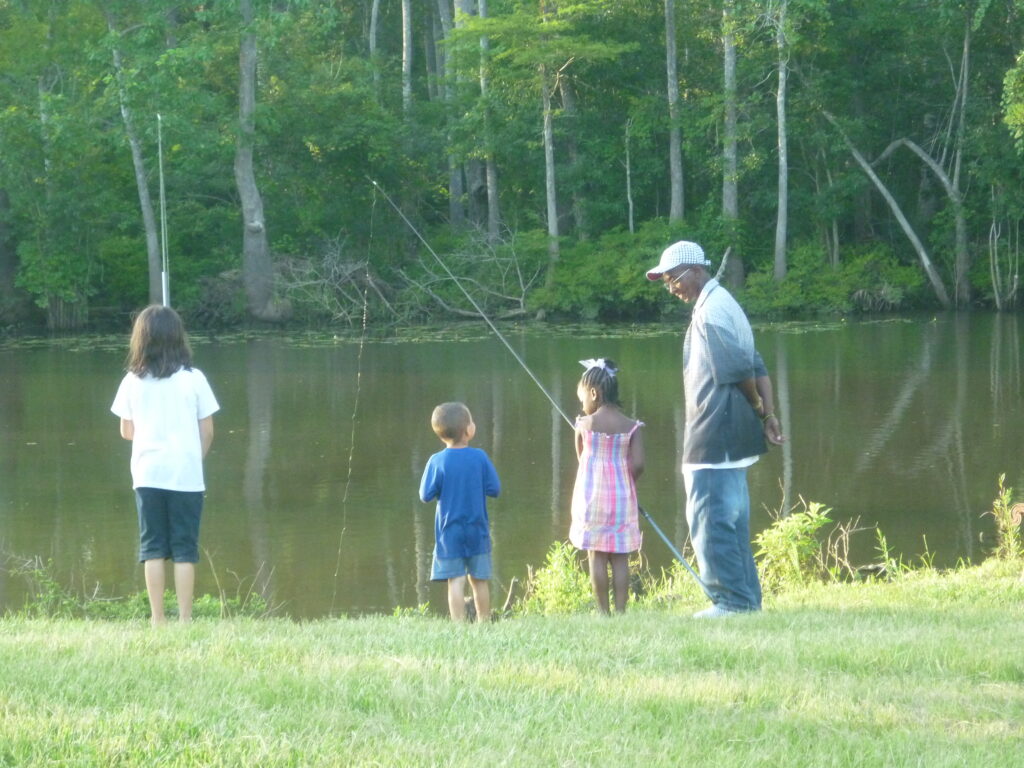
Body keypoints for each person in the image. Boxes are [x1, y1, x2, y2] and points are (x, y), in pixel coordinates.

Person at [646, 241, 784, 619]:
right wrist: (768, 415)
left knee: (710, 524)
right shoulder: (726, 304)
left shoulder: (710, 311)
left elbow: (739, 372)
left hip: (714, 436)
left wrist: (759, 409)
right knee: (733, 524)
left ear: (694, 270)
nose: (670, 287)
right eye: (666, 281)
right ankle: (747, 601)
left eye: (672, 278)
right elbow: (758, 365)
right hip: (733, 438)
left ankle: (731, 603)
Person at [110, 305, 219, 626]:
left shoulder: (132, 381)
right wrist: (192, 459)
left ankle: (158, 619)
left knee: (152, 547)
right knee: (185, 549)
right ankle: (185, 619)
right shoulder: (194, 379)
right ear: (178, 338)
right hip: (185, 474)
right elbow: (208, 430)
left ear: (140, 340)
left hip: (147, 473)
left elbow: (126, 431)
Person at [570, 358, 645, 614]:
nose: (583, 405)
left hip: (592, 497)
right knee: (621, 556)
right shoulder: (632, 426)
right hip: (622, 497)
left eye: (583, 399)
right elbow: (638, 465)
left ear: (594, 393)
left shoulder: (584, 425)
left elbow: (581, 458)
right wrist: (627, 483)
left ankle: (603, 612)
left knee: (597, 555)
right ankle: (622, 611)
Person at [419, 402, 501, 622]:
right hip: (477, 530)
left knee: (455, 581)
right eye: (472, 421)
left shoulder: (436, 461)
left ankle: (459, 626)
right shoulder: (480, 457)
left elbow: (425, 495)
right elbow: (495, 489)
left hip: (449, 533)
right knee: (479, 580)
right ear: (469, 430)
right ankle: (484, 622)